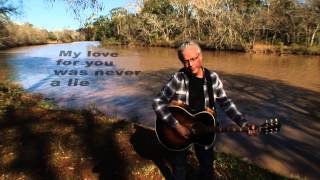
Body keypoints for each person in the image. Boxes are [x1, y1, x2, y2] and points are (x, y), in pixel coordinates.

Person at [152, 40, 256, 180]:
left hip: (205, 131)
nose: (190, 65)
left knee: (207, 168)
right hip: (179, 134)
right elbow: (158, 102)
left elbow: (225, 103)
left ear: (200, 56)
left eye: (193, 59)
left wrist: (243, 123)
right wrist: (176, 126)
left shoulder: (212, 78)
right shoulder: (178, 78)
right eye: (185, 61)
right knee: (179, 169)